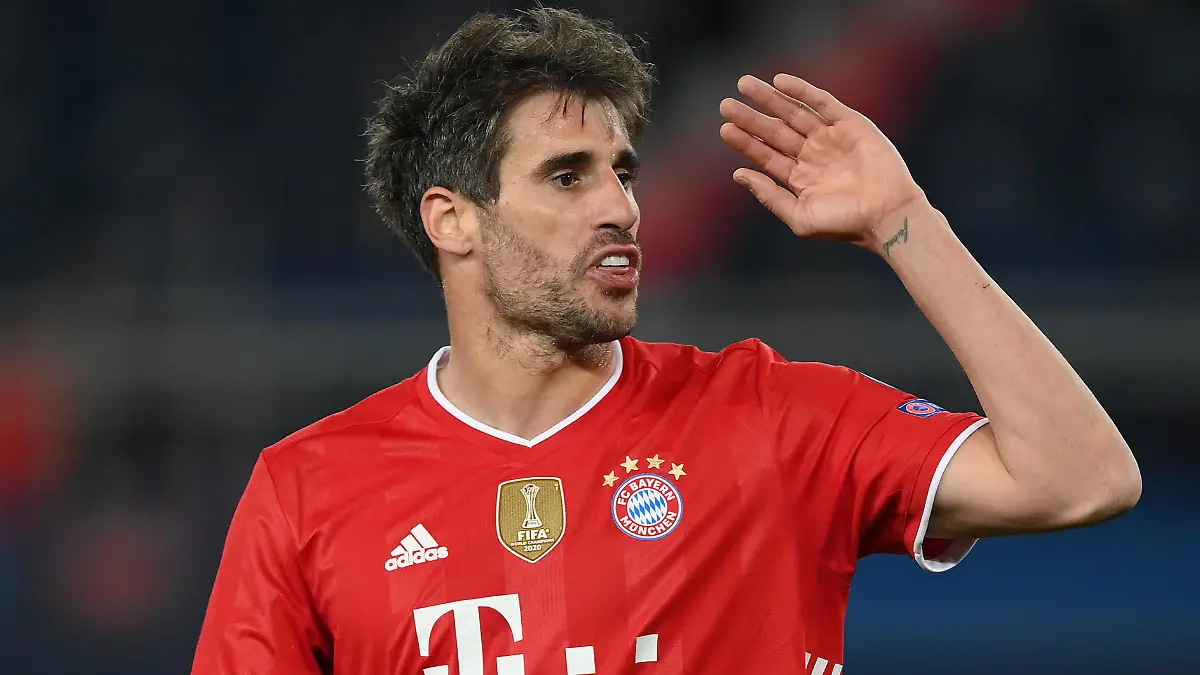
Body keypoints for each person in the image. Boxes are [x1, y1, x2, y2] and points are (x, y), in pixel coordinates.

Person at [191, 8, 1141, 674]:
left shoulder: (771, 418)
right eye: (568, 177)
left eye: (623, 171)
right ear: (453, 219)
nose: (620, 206)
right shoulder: (308, 490)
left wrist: (906, 222)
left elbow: (1081, 477)